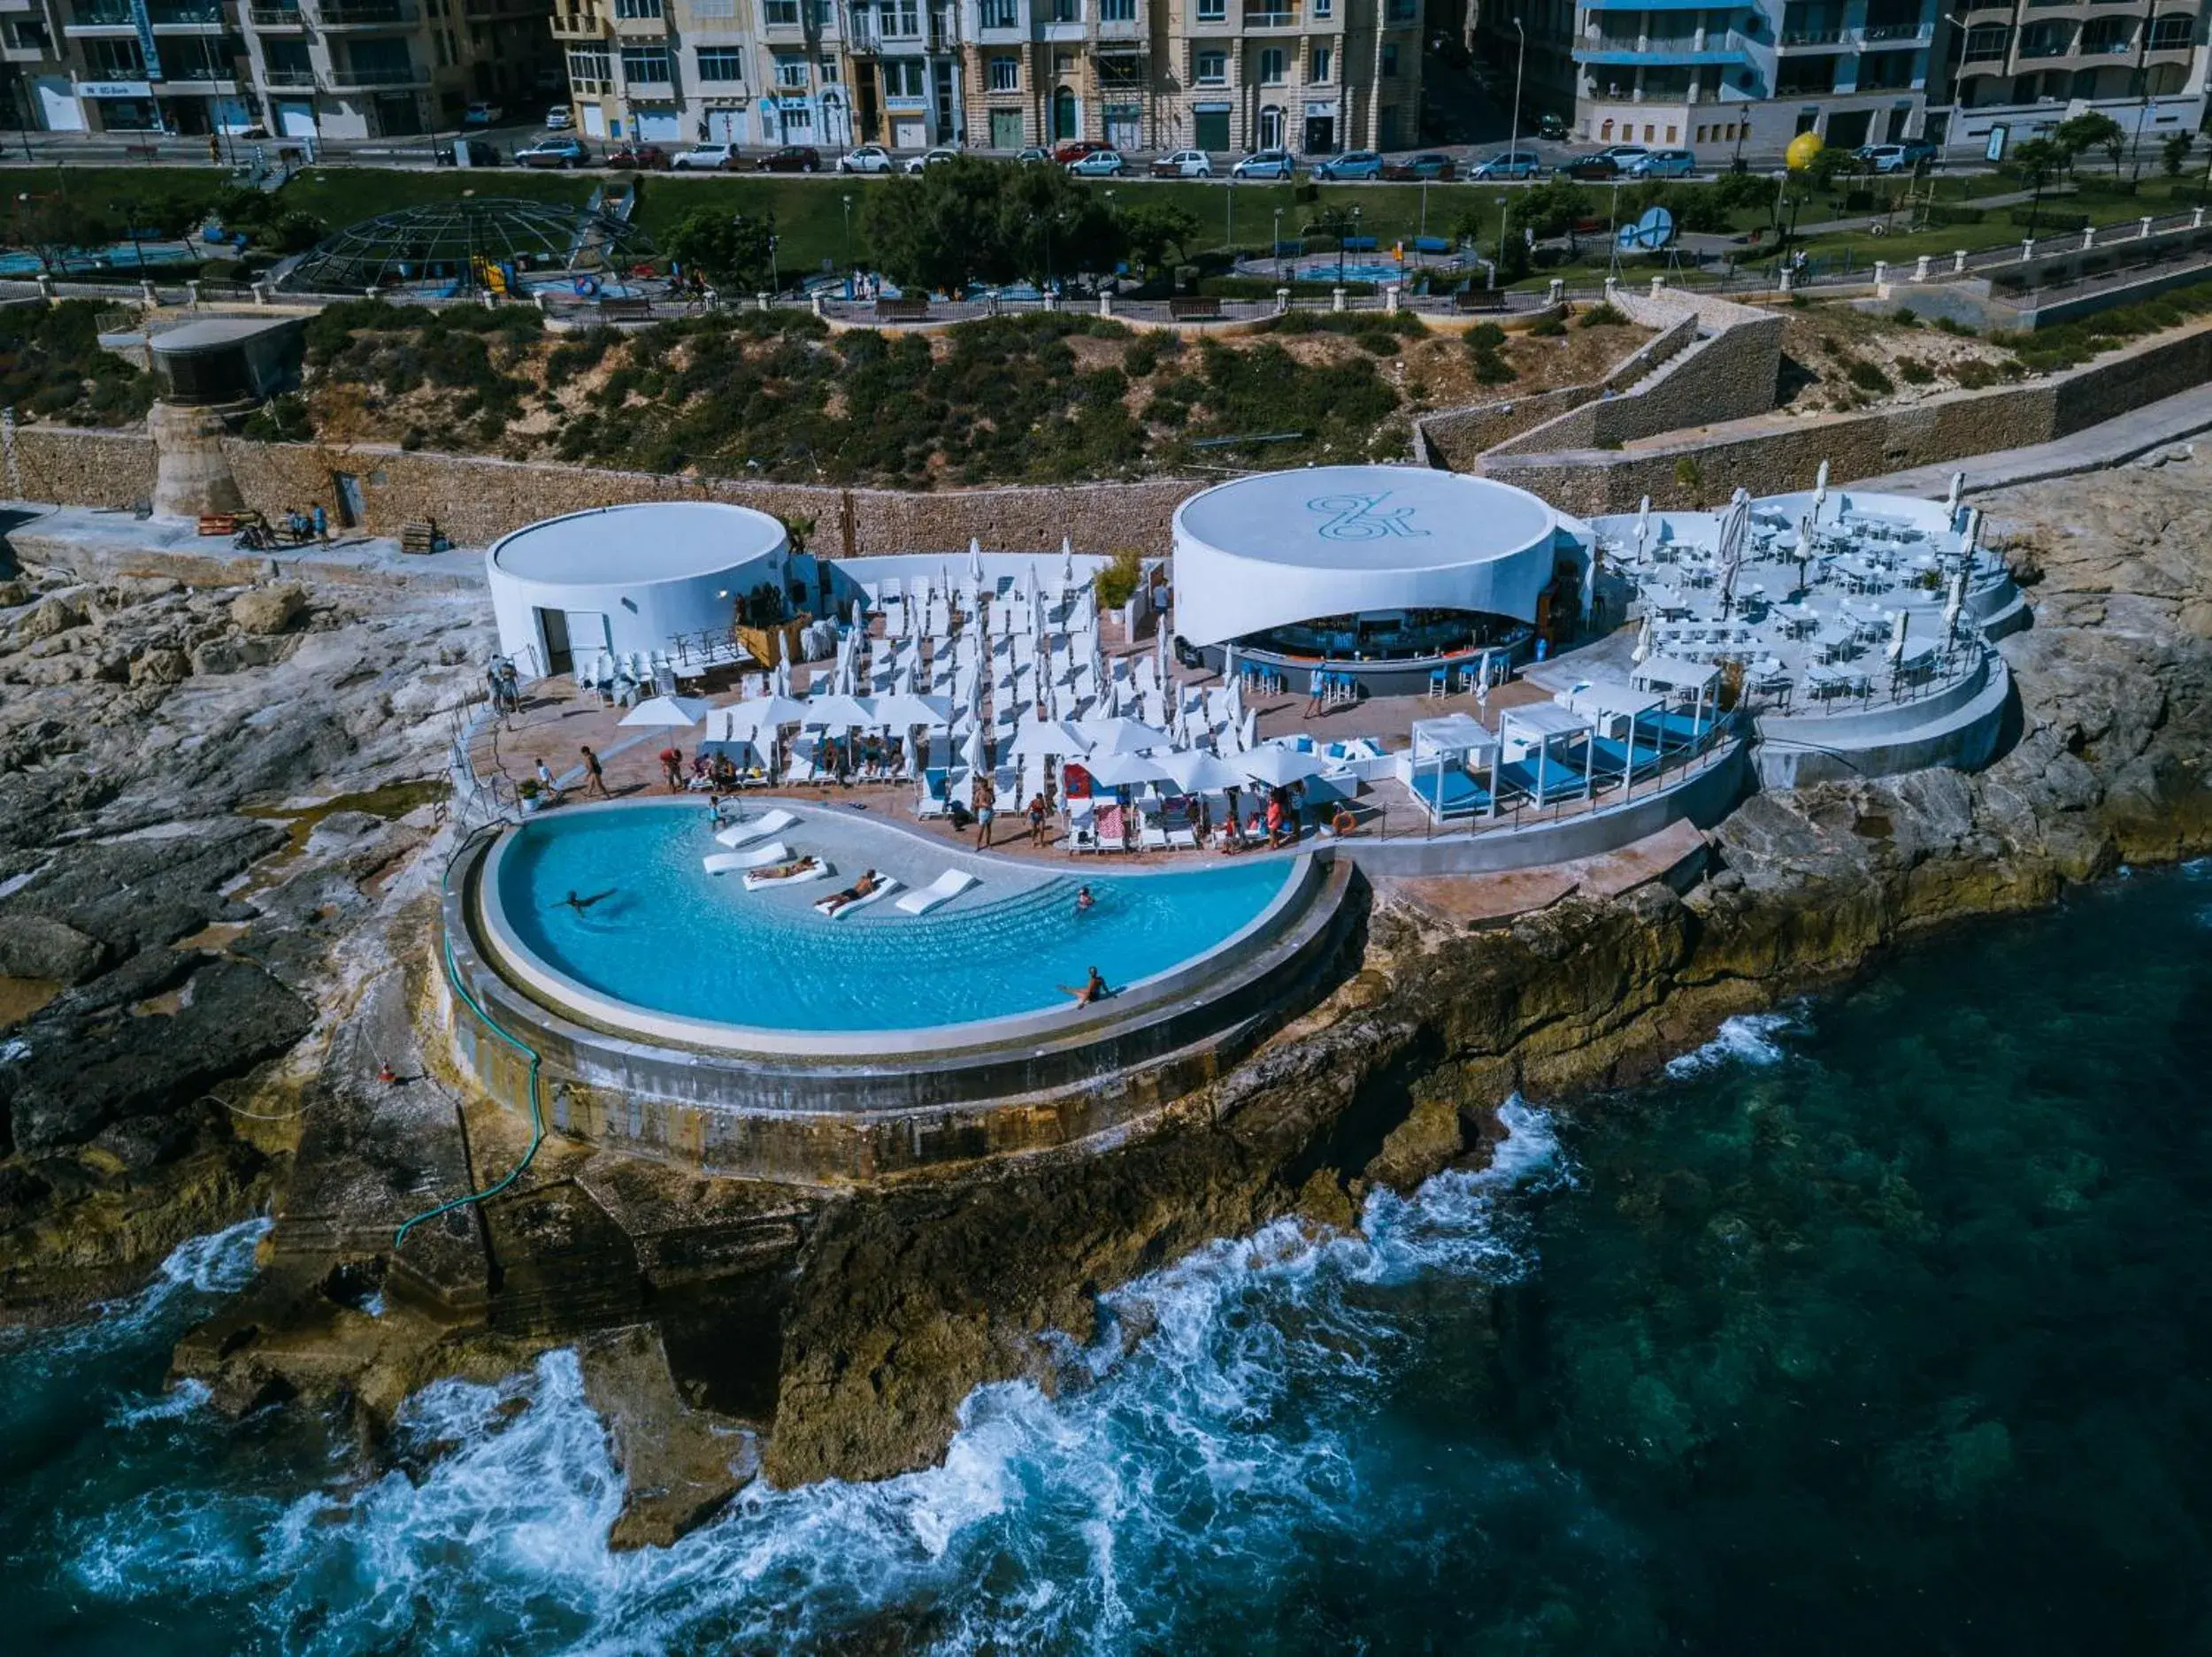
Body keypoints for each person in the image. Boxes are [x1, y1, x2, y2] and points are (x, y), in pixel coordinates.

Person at [818, 868, 882, 917]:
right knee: (843, 901)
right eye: (875, 874)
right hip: (856, 894)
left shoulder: (862, 877)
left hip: (851, 890)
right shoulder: (869, 881)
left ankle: (822, 901)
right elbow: (872, 890)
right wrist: (875, 886)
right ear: (873, 875)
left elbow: (861, 884)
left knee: (836, 896)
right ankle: (832, 908)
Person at [973, 773, 996, 848]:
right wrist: (982, 804)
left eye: (985, 784)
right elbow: (975, 803)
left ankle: (988, 843)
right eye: (983, 785)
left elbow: (994, 800)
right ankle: (978, 845)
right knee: (981, 830)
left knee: (989, 829)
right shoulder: (978, 792)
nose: (984, 786)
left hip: (990, 811)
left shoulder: (990, 791)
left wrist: (990, 803)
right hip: (982, 811)